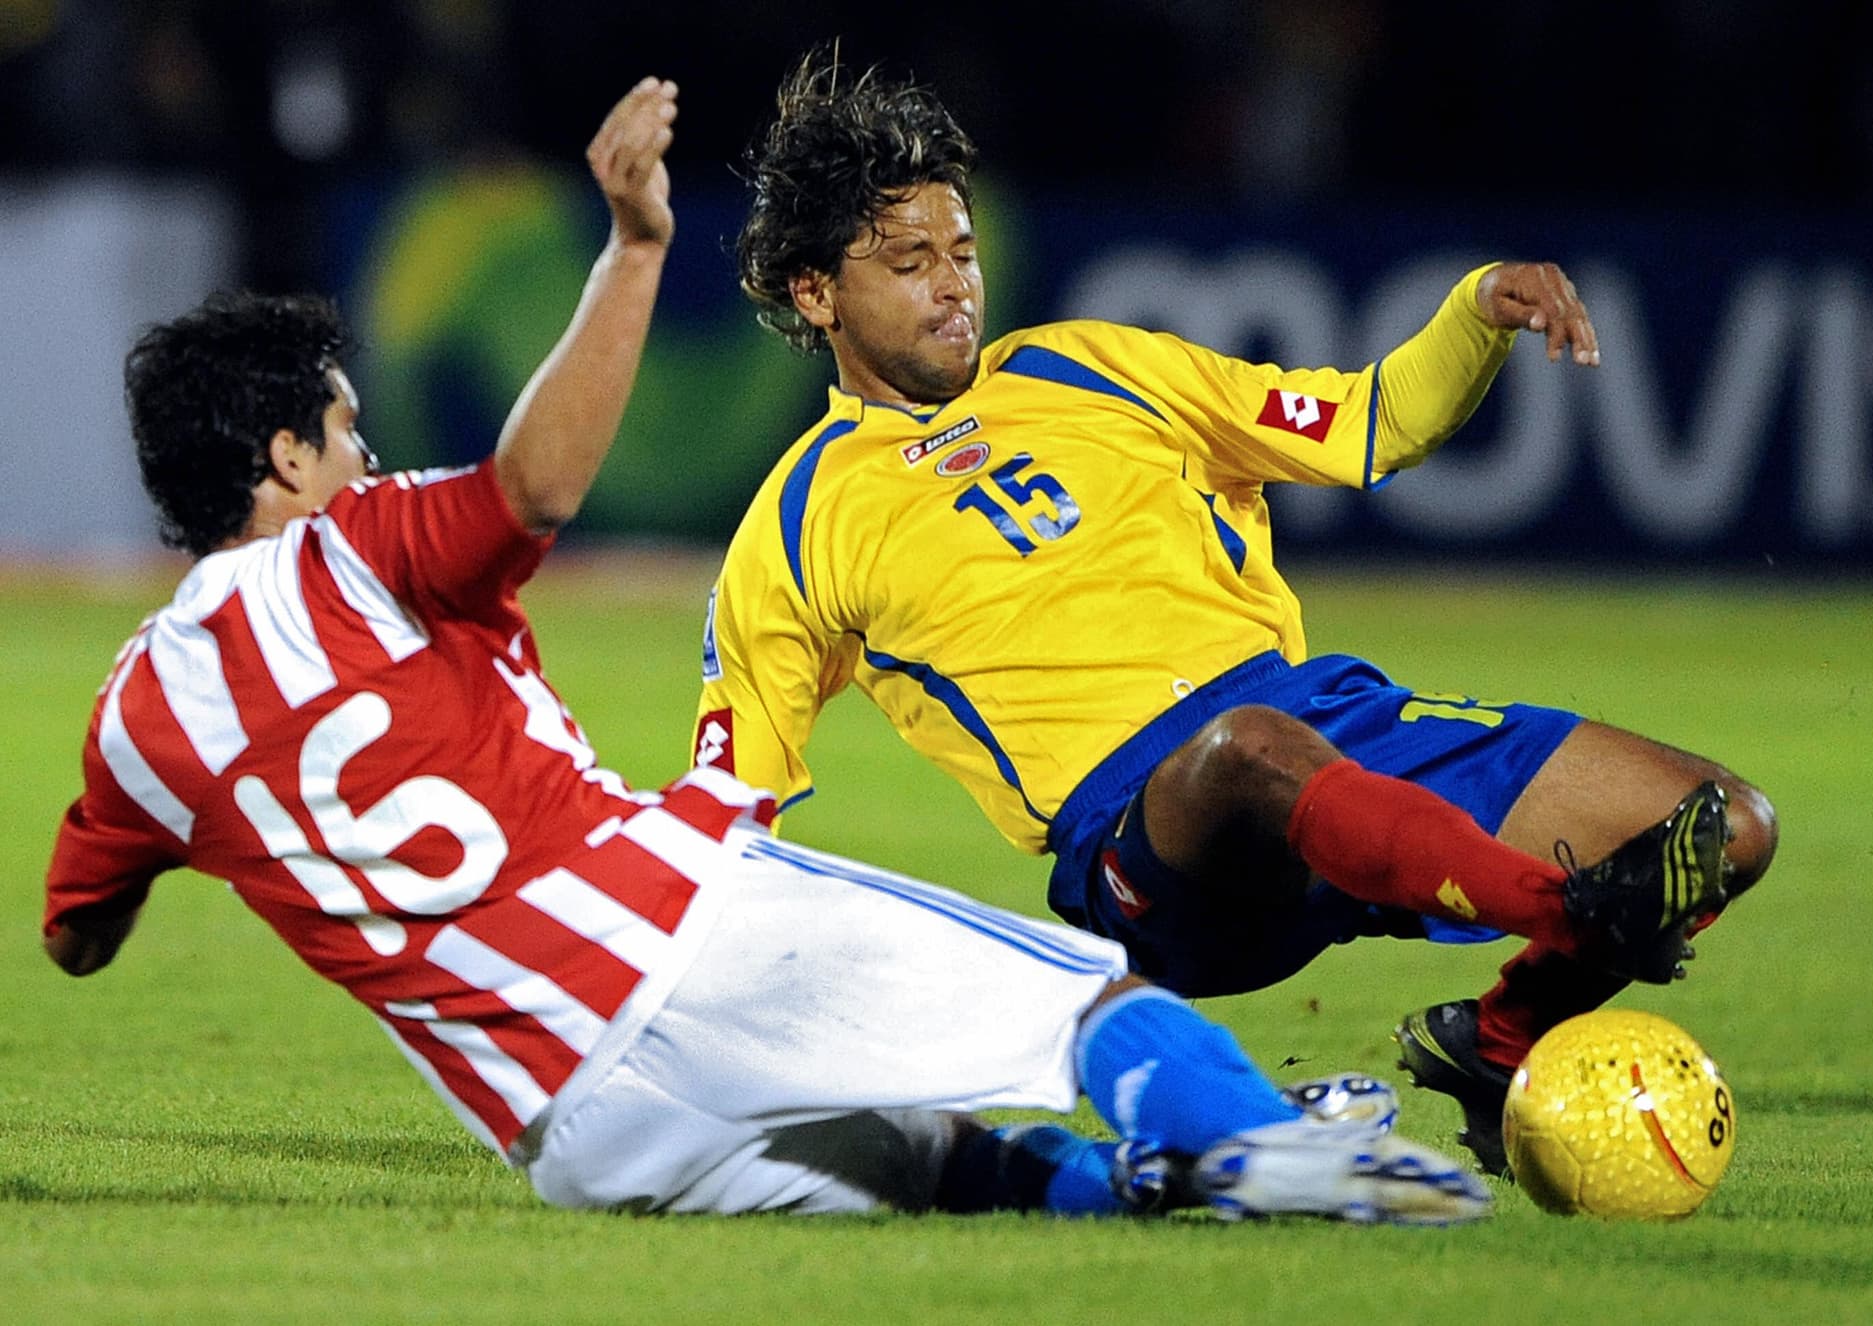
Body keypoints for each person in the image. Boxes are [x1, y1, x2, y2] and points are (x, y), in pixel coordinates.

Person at [40, 76, 1492, 1226]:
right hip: (668, 924)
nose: (368, 456)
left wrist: (168, 861)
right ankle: (1263, 1147)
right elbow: (531, 491)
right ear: (289, 452)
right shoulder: (357, 546)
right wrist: (633, 251)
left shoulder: (134, 723)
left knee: (927, 1163)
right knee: (1088, 1003)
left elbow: (73, 932)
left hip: (564, 1125)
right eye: (348, 432)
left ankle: (1173, 1187)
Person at [697, 55, 1780, 1176]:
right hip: (1157, 843)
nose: (952, 286)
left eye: (962, 253)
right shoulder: (795, 523)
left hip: (1326, 723)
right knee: (1245, 753)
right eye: (909, 261)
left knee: (1723, 823)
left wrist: (1473, 311)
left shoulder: (1089, 367)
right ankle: (1567, 910)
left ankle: (1500, 1045)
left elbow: (1363, 423)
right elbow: (732, 814)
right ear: (815, 292)